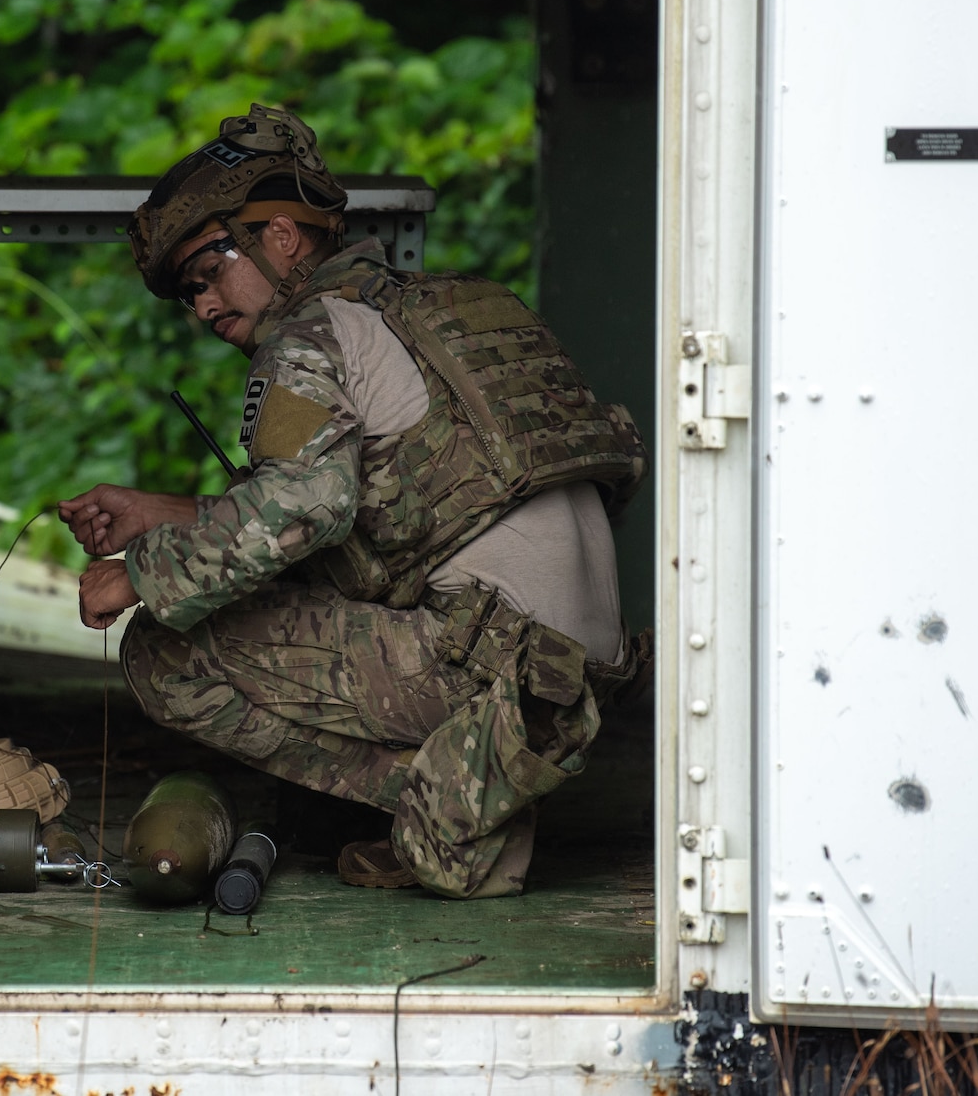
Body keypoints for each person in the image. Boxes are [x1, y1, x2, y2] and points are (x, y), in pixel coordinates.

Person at [59, 104, 646, 899]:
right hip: (579, 674)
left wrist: (142, 572)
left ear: (281, 236)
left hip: (487, 659)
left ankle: (447, 800)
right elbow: (362, 501)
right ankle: (484, 774)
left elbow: (306, 509)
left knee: (164, 646)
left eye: (207, 271)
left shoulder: (307, 337)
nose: (201, 307)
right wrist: (158, 511)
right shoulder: (440, 315)